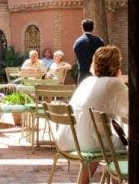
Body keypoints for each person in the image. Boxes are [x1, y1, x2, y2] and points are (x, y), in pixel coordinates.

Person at [55, 45, 128, 184]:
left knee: (101, 138)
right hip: (87, 143)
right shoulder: (113, 84)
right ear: (116, 65)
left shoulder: (87, 82)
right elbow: (133, 113)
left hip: (67, 139)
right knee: (122, 147)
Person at [73, 19, 104, 84]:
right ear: (93, 28)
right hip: (96, 73)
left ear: (82, 28)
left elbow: (76, 55)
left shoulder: (78, 42)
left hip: (83, 73)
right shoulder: (100, 41)